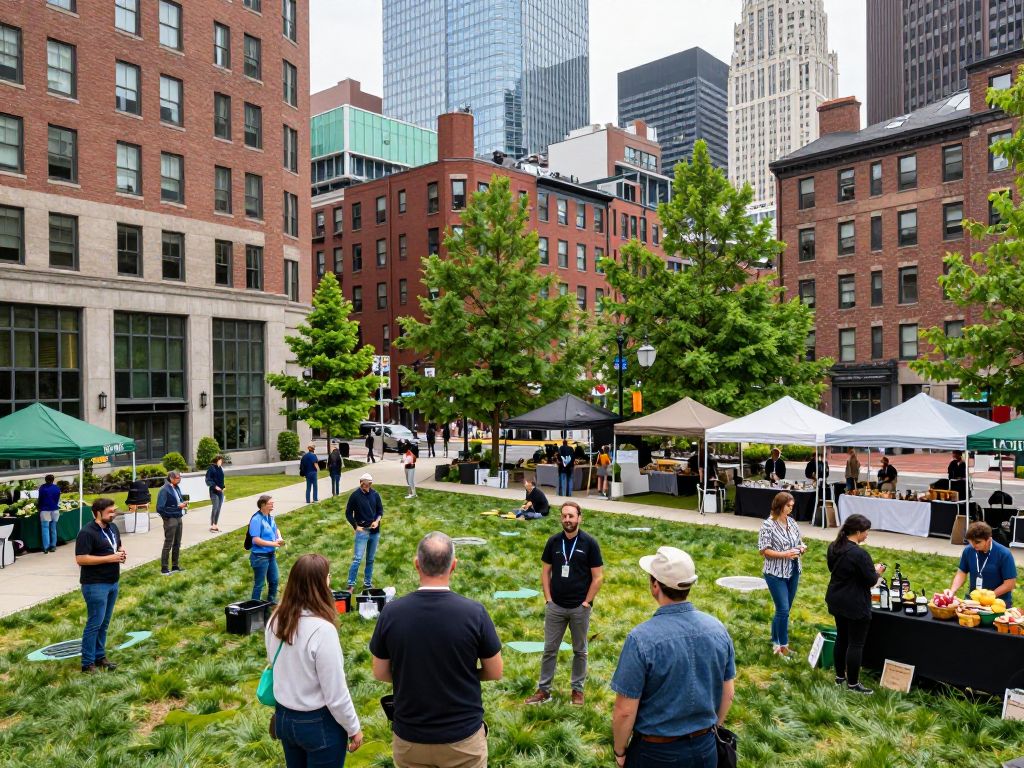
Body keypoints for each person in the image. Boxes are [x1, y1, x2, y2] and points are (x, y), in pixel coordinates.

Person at [370, 532, 503, 768]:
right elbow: (494, 671)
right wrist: (465, 675)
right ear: (454, 566)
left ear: (416, 564)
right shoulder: (475, 613)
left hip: (411, 738)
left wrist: (410, 676)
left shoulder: (391, 613)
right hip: (463, 740)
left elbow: (380, 673)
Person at [610, 546, 735, 768]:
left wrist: (619, 751)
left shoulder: (641, 639)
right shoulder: (717, 629)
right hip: (706, 749)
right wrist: (710, 729)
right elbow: (728, 694)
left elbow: (624, 711)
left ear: (655, 585)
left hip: (655, 754)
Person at [267, 554, 363, 767]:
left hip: (284, 718)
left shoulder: (275, 619)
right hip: (318, 724)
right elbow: (336, 694)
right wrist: (353, 728)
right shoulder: (323, 630)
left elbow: (274, 663)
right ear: (320, 584)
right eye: (328, 577)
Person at [525, 501, 604, 706]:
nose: (567, 520)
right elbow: (545, 572)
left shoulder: (590, 543)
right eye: (564, 516)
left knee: (580, 650)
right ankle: (544, 690)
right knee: (549, 650)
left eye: (571, 516)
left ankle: (577, 691)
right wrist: (548, 599)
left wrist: (587, 602)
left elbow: (598, 577)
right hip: (556, 607)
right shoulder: (553, 542)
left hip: (579, 607)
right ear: (561, 518)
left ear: (580, 518)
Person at [825, 513, 886, 695]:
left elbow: (835, 569)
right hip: (855, 602)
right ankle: (853, 684)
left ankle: (839, 677)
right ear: (858, 532)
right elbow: (870, 581)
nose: (867, 535)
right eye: (866, 531)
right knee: (856, 643)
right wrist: (877, 572)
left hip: (836, 598)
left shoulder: (833, 547)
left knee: (841, 637)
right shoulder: (860, 554)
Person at [75, 498, 127, 673]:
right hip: (95, 585)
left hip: (112, 582)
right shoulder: (86, 533)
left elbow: (117, 546)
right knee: (94, 623)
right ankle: (87, 663)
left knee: (104, 623)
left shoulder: (113, 528)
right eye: (110, 512)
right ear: (98, 513)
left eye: (114, 511)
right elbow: (81, 559)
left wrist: (121, 553)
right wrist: (109, 558)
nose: (113, 514)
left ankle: (100, 656)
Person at [757, 491, 806, 659]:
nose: (790, 510)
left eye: (792, 506)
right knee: (783, 610)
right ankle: (783, 647)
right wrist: (785, 554)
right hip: (775, 573)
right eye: (788, 506)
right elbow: (764, 551)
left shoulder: (791, 522)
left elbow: (799, 542)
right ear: (779, 506)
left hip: (793, 570)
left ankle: (775, 641)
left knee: (783, 610)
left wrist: (801, 548)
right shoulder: (768, 525)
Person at [944, 521, 1017, 607]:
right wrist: (952, 591)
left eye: (977, 542)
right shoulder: (968, 550)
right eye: (971, 542)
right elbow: (962, 572)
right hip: (973, 601)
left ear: (989, 540)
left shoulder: (1004, 554)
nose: (974, 545)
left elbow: (1010, 584)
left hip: (997, 602)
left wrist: (988, 597)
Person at [345, 473, 383, 592]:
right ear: (361, 482)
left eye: (369, 483)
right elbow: (348, 513)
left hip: (374, 531)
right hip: (362, 531)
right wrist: (356, 526)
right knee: (357, 559)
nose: (367, 486)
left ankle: (367, 583)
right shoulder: (355, 496)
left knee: (370, 559)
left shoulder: (375, 495)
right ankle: (351, 585)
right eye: (365, 483)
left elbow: (380, 511)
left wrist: (377, 521)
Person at [249, 495, 284, 603]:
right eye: (270, 503)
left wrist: (279, 537)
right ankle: (254, 607)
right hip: (260, 557)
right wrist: (273, 544)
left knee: (274, 580)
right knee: (259, 584)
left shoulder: (269, 516)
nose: (273, 505)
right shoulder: (256, 519)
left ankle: (271, 604)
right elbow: (255, 540)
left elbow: (275, 528)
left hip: (271, 555)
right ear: (263, 505)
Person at [156, 470, 188, 576]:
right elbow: (160, 508)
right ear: (171, 478)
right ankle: (164, 569)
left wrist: (182, 504)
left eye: (180, 478)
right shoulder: (164, 490)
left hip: (178, 516)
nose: (179, 480)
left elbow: (177, 501)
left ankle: (175, 566)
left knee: (177, 543)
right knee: (168, 543)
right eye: (177, 478)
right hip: (170, 519)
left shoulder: (176, 487)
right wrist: (176, 508)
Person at [38, 473, 61, 553]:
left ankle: (46, 547)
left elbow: (40, 499)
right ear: (53, 480)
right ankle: (53, 545)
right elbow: (58, 499)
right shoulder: (57, 488)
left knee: (45, 528)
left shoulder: (42, 488)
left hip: (45, 510)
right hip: (55, 509)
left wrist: (39, 507)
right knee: (53, 528)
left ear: (46, 480)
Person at [205, 455, 226, 532]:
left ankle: (215, 525)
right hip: (214, 492)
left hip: (220, 491)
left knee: (219, 508)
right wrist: (214, 486)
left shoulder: (220, 468)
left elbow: (221, 479)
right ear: (217, 460)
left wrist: (223, 487)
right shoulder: (211, 468)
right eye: (220, 460)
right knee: (215, 507)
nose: (221, 462)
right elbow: (208, 480)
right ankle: (212, 525)